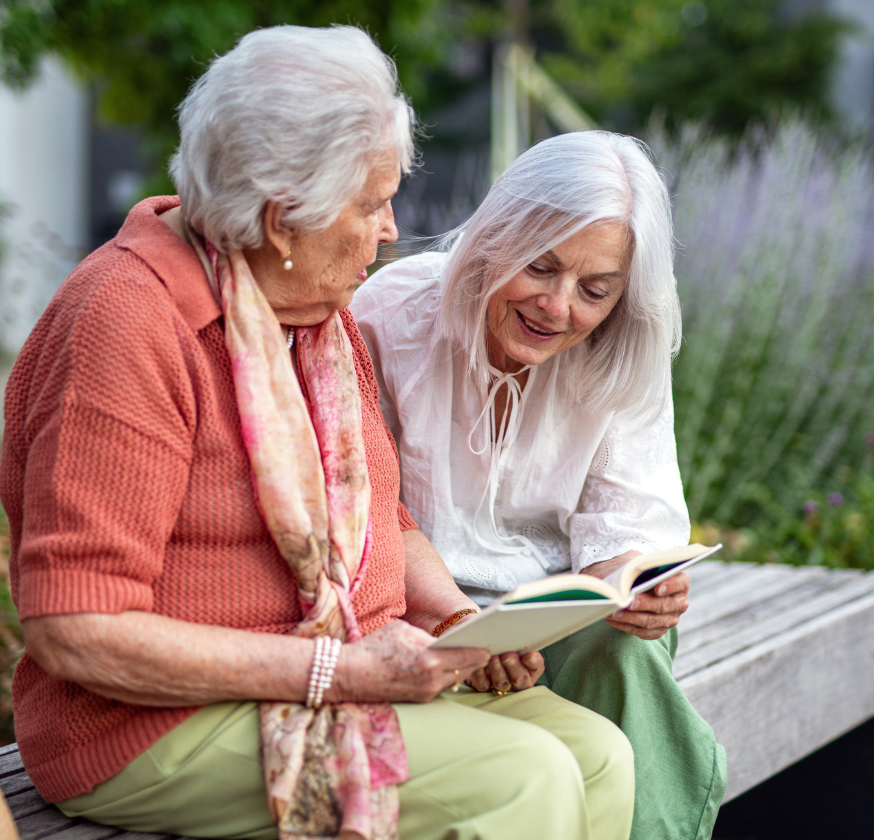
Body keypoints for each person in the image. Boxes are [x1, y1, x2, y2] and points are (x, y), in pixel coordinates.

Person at [0, 26, 633, 840]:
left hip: (346, 665)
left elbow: (380, 520)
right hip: (151, 727)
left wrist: (450, 620)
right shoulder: (127, 324)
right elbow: (77, 629)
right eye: (370, 204)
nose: (392, 230)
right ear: (282, 221)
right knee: (523, 777)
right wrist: (337, 670)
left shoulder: (314, 322)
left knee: (599, 755)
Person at [354, 131, 727, 840]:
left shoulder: (626, 344)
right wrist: (454, 619)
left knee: (627, 648)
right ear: (498, 236)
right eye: (541, 268)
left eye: (594, 290)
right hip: (418, 619)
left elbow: (627, 525)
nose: (558, 307)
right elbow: (367, 510)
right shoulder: (392, 314)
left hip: (557, 625)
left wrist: (639, 583)